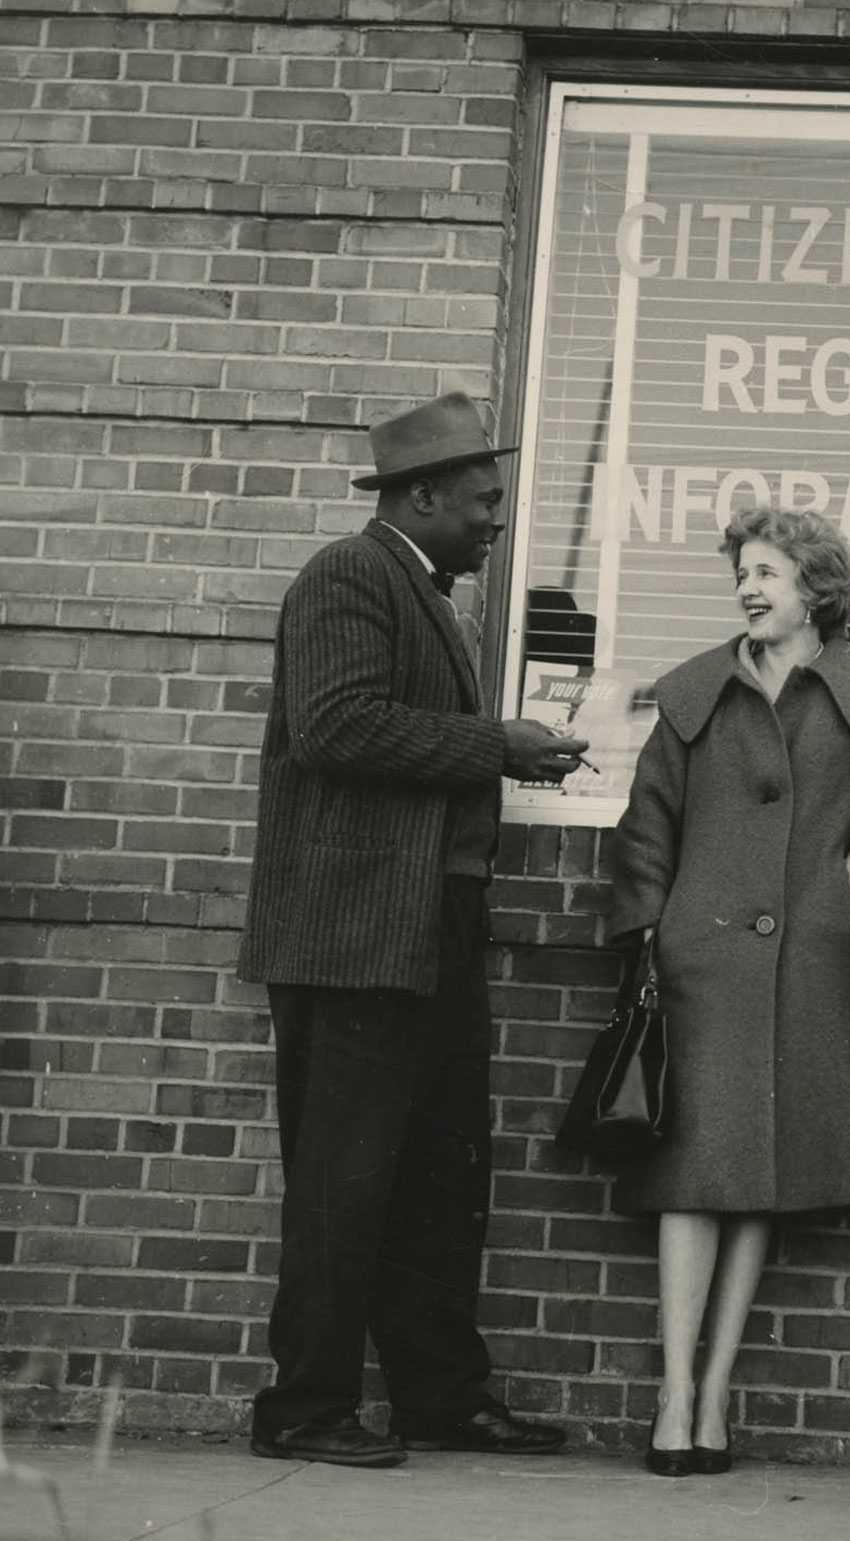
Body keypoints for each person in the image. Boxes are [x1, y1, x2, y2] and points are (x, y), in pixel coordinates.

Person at [238, 392, 589, 1468]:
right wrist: (498, 746)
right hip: (352, 943)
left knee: (438, 1177)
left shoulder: (418, 588)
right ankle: (304, 1412)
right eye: (482, 501)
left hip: (422, 931)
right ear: (422, 496)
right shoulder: (349, 575)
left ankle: (440, 1398)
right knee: (346, 1184)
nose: (496, 518)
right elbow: (338, 725)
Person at [605, 506, 850, 1477]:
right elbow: (645, 827)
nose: (750, 588)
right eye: (743, 573)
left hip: (804, 962)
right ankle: (674, 1397)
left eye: (769, 573)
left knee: (760, 1180)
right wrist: (645, 938)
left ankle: (715, 1400)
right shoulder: (694, 693)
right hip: (697, 966)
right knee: (690, 1180)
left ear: (818, 590)